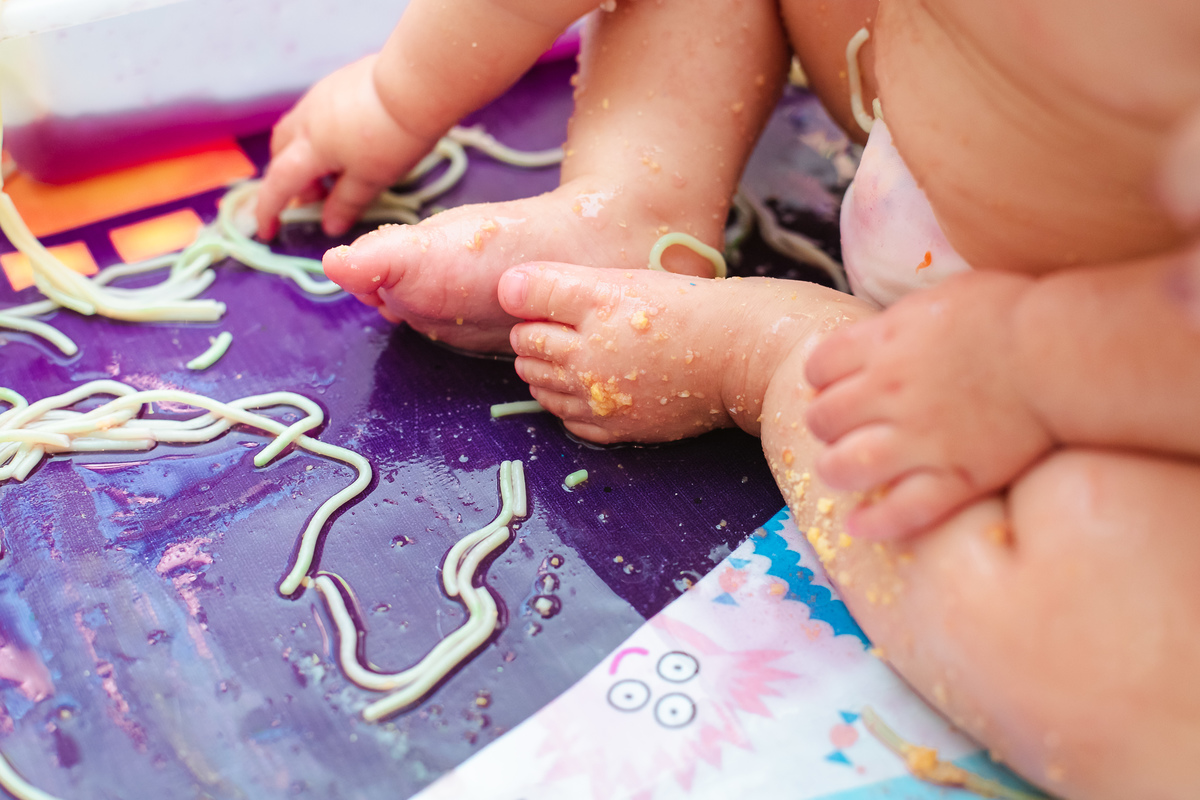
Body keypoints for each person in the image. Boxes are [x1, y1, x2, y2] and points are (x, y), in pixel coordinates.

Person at [256, 0, 1200, 796]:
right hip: (915, 119)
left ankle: (790, 357)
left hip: (1132, 347)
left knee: (1139, 685)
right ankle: (633, 207)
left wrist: (1028, 363)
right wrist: (398, 90)